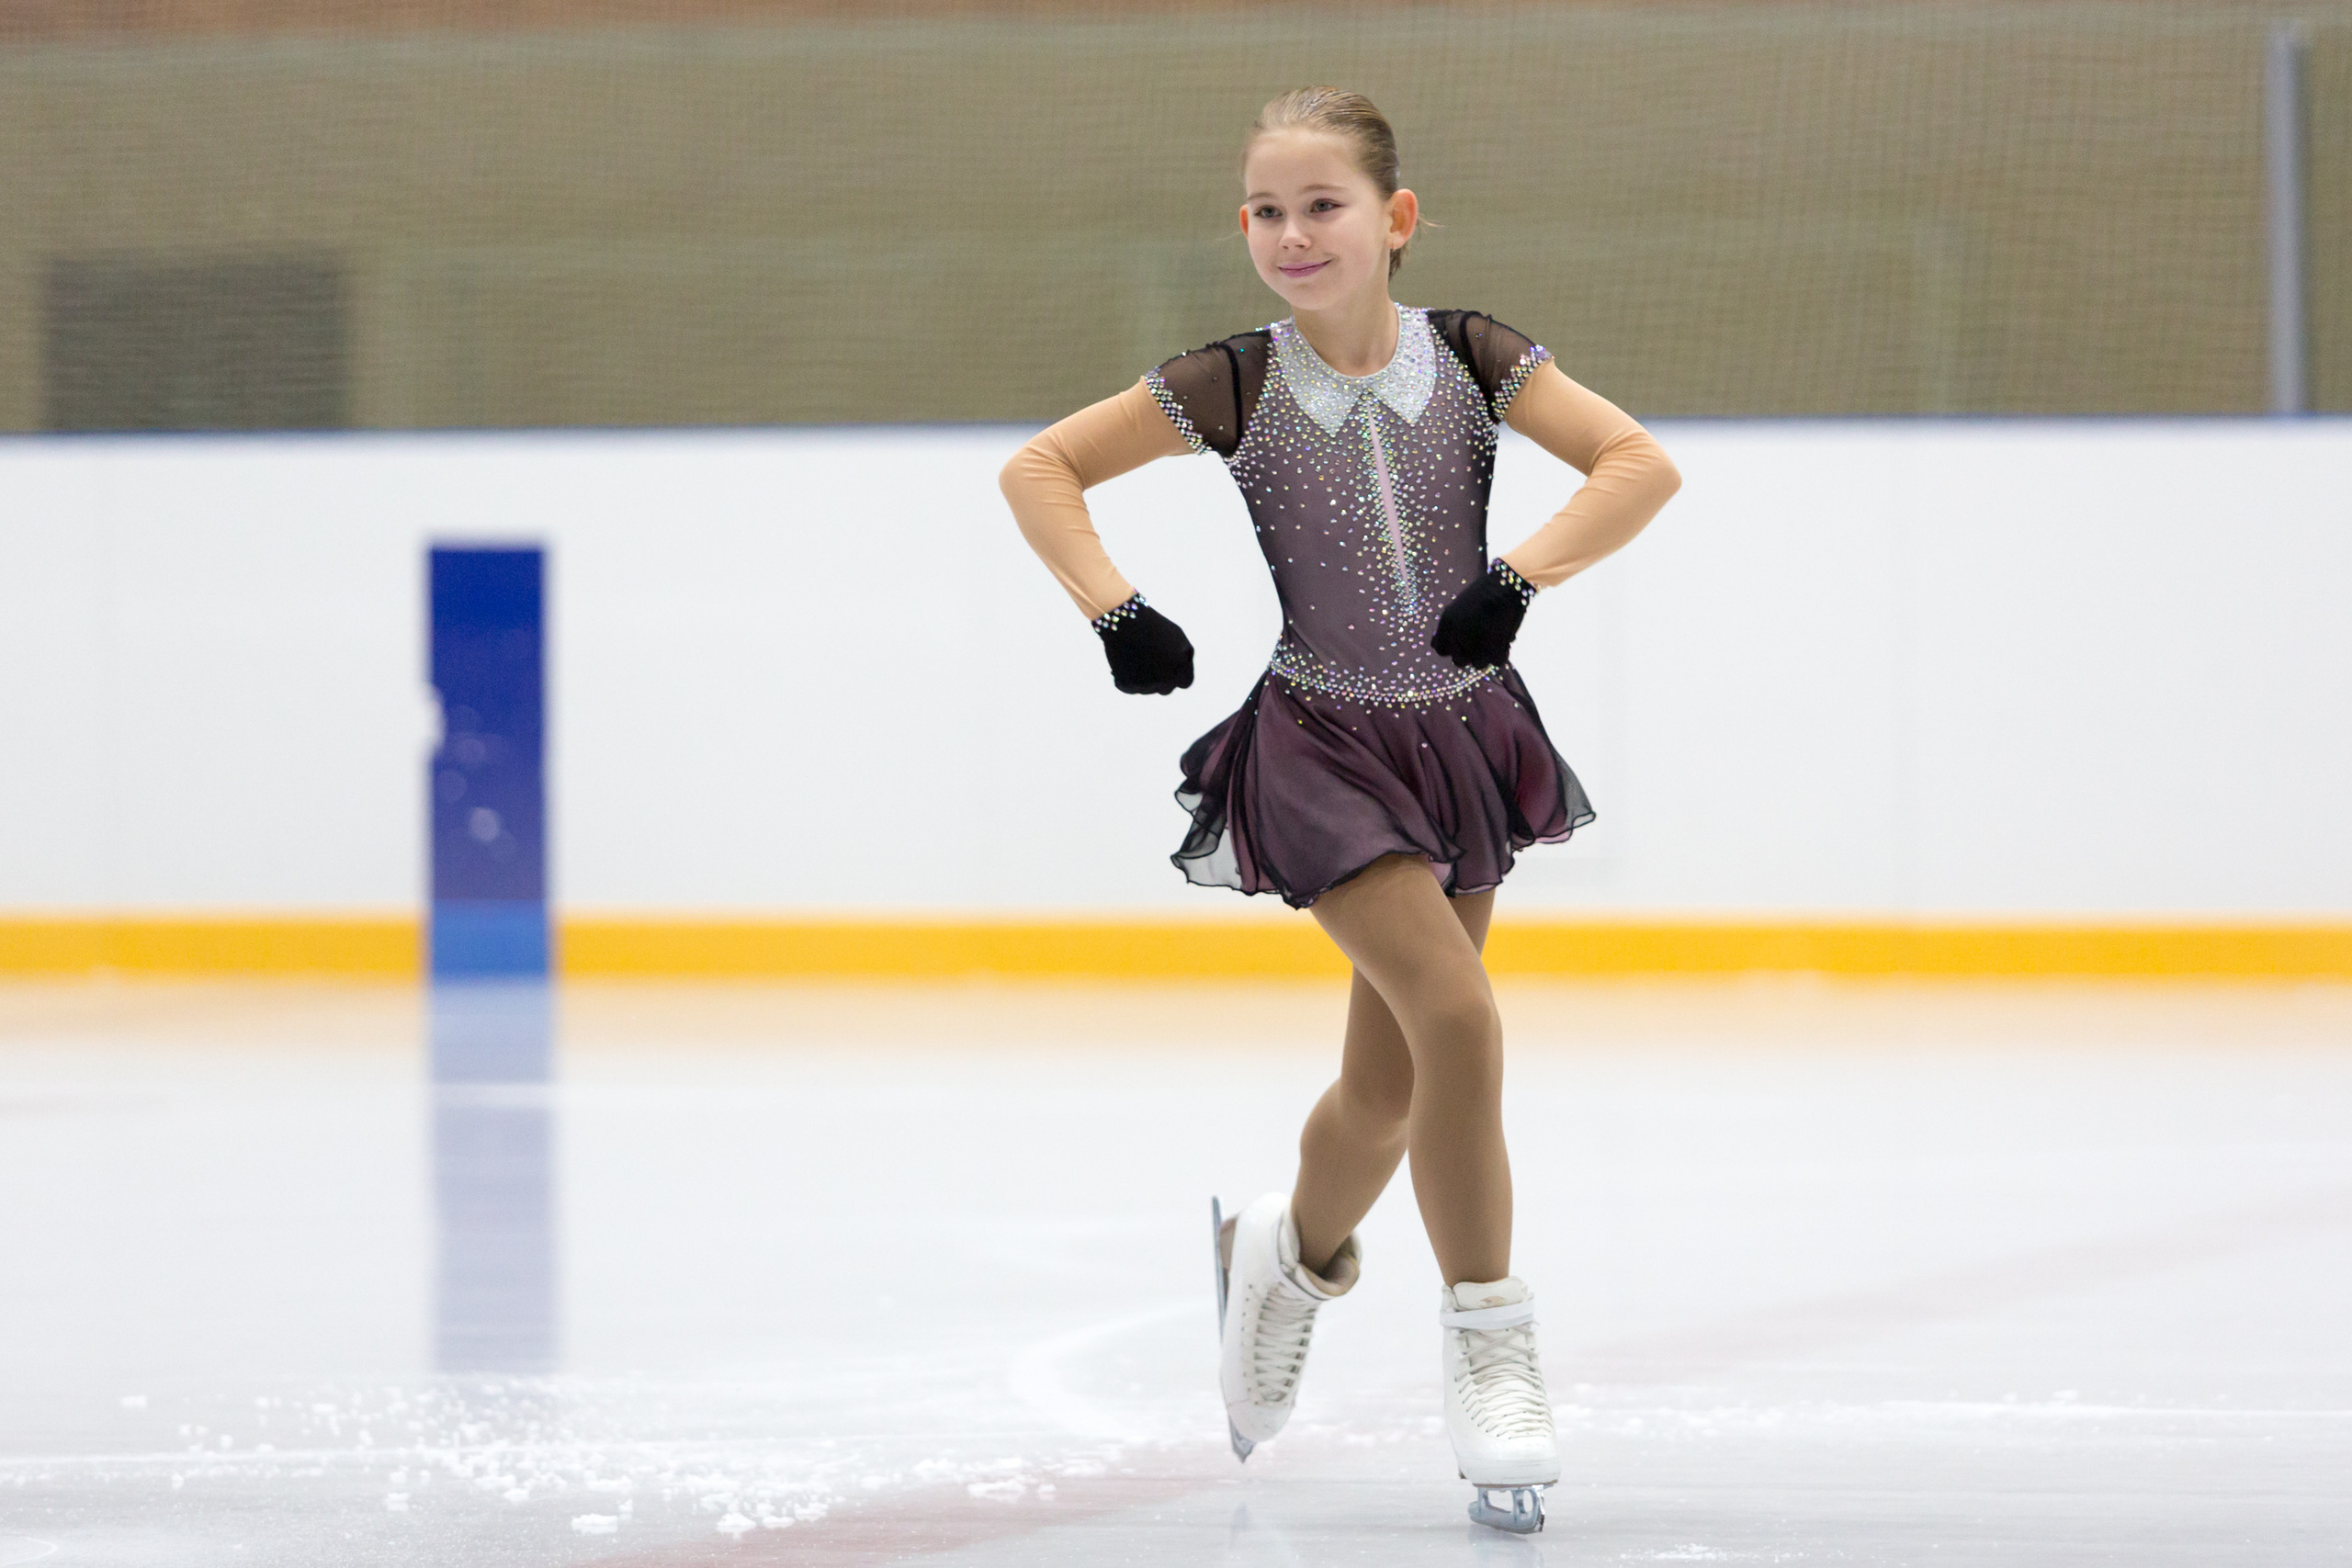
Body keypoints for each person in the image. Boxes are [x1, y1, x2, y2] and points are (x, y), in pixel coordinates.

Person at [998, 85, 1680, 1533]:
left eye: (1323, 206)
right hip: (1318, 745)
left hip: (1461, 743)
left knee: (1387, 1091)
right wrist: (1113, 607)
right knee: (1458, 1018)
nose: (1293, 233)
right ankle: (1493, 1350)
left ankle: (1285, 1258)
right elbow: (1040, 467)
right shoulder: (1233, 382)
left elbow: (1639, 463)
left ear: (1395, 220)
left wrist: (1521, 577)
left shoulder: (1480, 359)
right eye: (1266, 209)